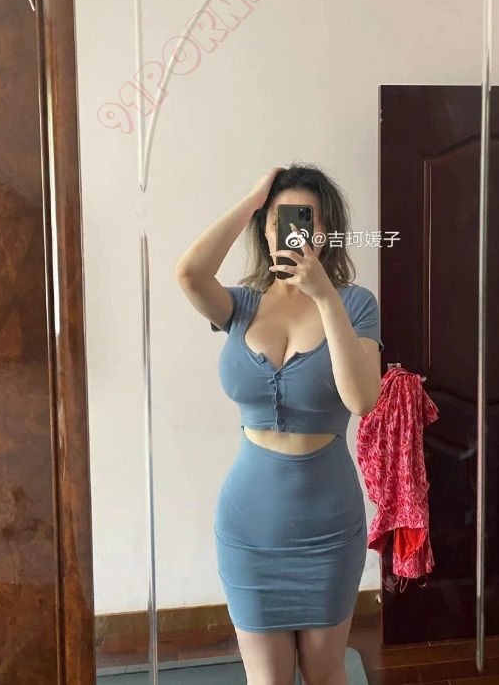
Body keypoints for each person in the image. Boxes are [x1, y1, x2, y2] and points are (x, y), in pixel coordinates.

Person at [175, 163, 384, 685]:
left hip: (327, 527)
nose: (291, 229)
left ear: (325, 231)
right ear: (265, 229)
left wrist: (324, 295)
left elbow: (362, 399)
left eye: (306, 218)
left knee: (325, 674)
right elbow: (189, 274)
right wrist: (251, 200)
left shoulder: (355, 303)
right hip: (249, 526)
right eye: (279, 219)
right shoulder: (241, 305)